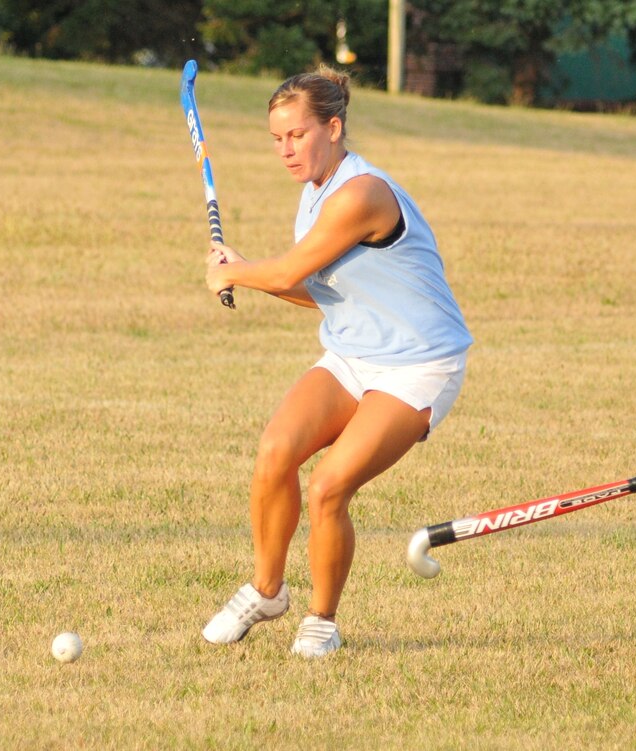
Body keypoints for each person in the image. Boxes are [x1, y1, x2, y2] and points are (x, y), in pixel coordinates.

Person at [199, 66, 472, 658]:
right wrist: (252, 270)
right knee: (276, 451)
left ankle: (322, 619)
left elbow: (290, 272)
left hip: (420, 364)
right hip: (353, 353)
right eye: (276, 139)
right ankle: (267, 590)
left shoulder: (361, 193)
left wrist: (235, 271)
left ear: (334, 127)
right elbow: (315, 288)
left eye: (297, 135)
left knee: (327, 488)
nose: (286, 149)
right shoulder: (315, 193)